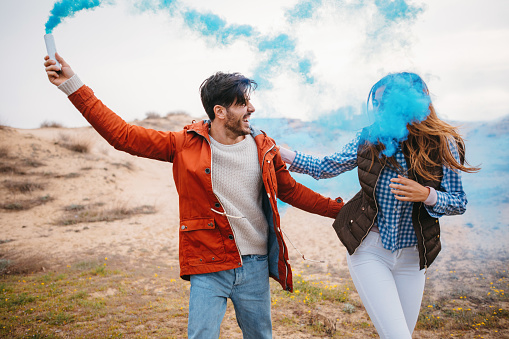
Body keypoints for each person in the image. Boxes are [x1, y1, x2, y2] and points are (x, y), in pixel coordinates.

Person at [44, 53, 344, 339]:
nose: (251, 110)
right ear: (220, 111)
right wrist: (73, 86)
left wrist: (340, 210)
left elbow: (291, 191)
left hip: (254, 264)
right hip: (208, 262)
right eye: (243, 104)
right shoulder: (183, 144)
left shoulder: (263, 147)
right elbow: (121, 135)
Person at [279, 72, 479, 338]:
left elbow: (458, 202)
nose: (381, 109)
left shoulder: (444, 143)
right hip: (369, 250)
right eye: (378, 103)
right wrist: (275, 150)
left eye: (389, 101)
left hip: (413, 257)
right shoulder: (370, 137)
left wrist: (427, 194)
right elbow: (325, 167)